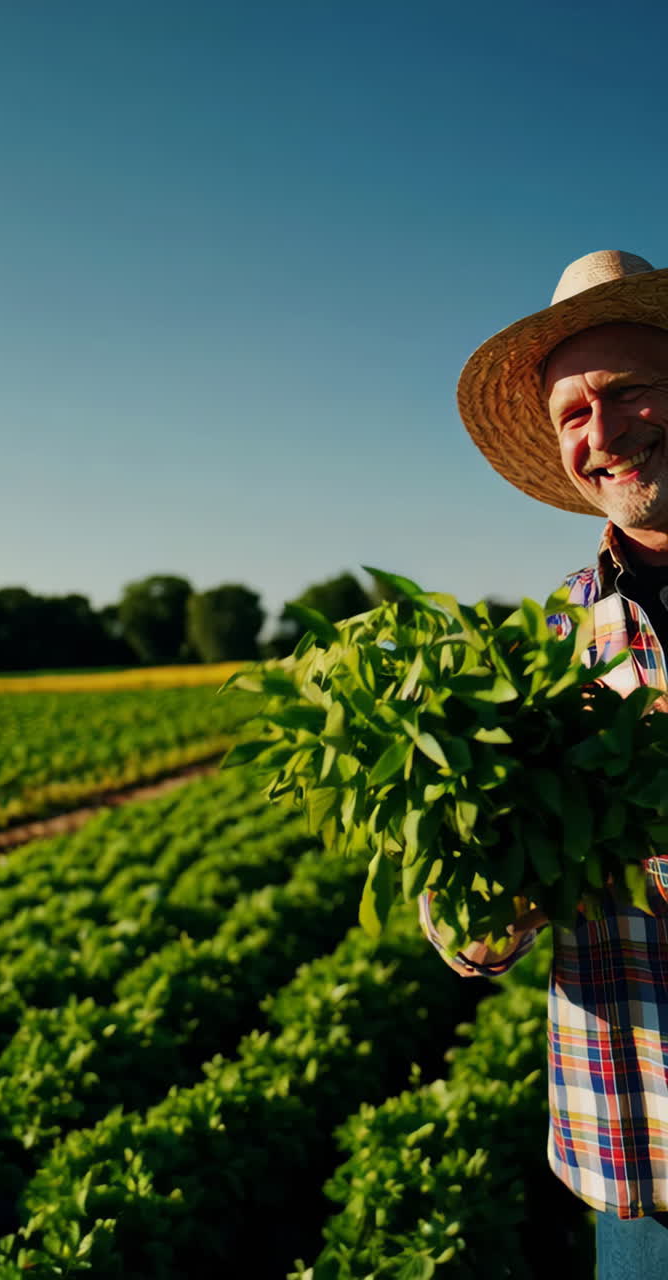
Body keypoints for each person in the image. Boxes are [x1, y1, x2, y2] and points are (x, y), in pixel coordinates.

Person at [420, 250, 668, 1279]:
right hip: (642, 1156)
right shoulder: (547, 646)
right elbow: (463, 929)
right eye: (572, 412)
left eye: (627, 392)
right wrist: (485, 902)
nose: (599, 434)